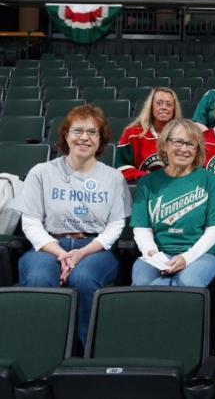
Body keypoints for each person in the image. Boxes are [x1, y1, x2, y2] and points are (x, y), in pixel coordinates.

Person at [13, 105, 131, 346]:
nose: (84, 137)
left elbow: (116, 224)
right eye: (78, 130)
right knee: (38, 276)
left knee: (85, 277)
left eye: (92, 132)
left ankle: (85, 351)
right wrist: (60, 253)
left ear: (101, 140)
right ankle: (42, 350)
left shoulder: (113, 177)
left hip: (94, 247)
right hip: (48, 245)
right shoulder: (41, 172)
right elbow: (31, 221)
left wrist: (82, 253)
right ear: (66, 135)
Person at [130, 118, 215, 287]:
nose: (184, 149)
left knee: (186, 282)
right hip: (160, 253)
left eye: (191, 144)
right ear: (165, 145)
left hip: (201, 254)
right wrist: (151, 253)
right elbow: (141, 228)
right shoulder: (147, 182)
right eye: (178, 142)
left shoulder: (209, 180)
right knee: (143, 283)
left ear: (197, 150)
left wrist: (186, 257)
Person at [115, 86, 183, 182]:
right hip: (143, 187)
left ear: (174, 109)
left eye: (169, 104)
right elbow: (122, 168)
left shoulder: (183, 135)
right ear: (151, 106)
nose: (164, 107)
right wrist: (148, 177)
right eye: (159, 103)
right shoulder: (132, 134)